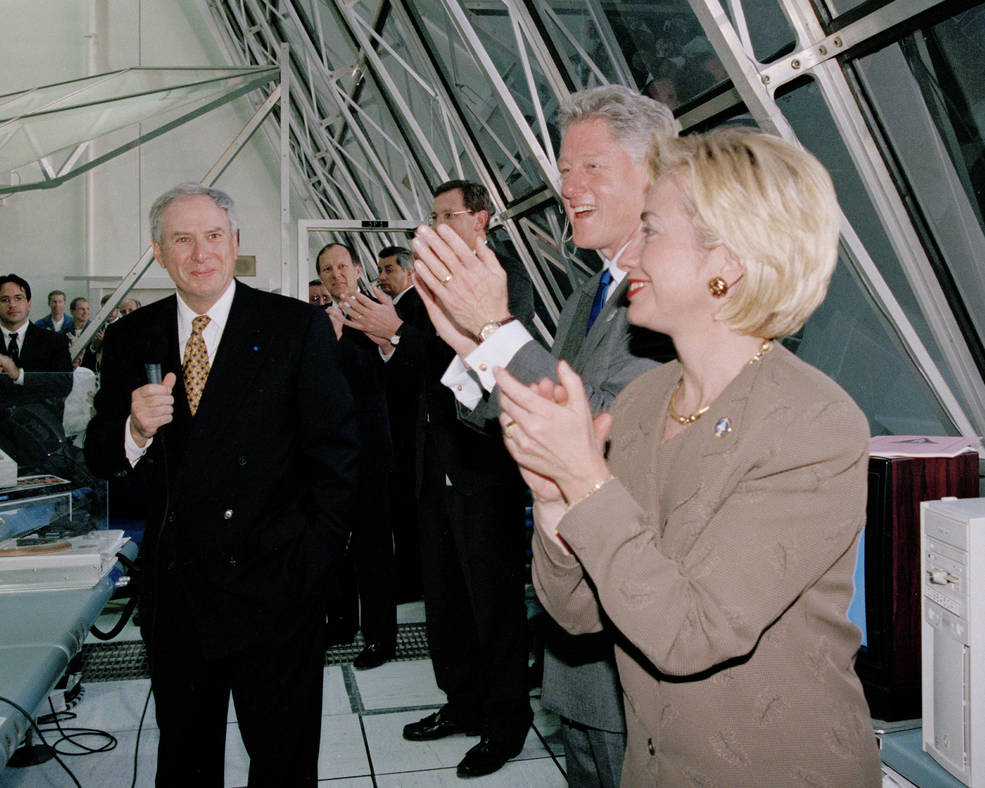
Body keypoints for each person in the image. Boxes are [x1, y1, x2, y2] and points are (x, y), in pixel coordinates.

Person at [492, 127, 882, 786]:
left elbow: (690, 634)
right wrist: (556, 498)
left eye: (652, 230)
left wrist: (585, 478)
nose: (632, 252)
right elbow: (580, 612)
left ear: (724, 262)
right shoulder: (645, 400)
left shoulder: (812, 423)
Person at [412, 85, 676, 788]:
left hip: (626, 641)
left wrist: (495, 334)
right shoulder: (591, 295)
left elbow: (592, 432)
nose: (567, 187)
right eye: (564, 170)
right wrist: (475, 348)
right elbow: (533, 412)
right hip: (580, 640)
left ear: (654, 170)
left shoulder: (663, 301)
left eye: (591, 167)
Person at [84, 183, 358, 786]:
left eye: (213, 236)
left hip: (277, 587)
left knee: (283, 762)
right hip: (181, 593)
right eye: (182, 238)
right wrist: (133, 427)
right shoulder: (134, 337)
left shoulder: (293, 327)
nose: (200, 252)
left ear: (235, 244)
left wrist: (314, 561)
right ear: (159, 252)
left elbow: (336, 457)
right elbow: (99, 455)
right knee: (186, 760)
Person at [342, 181, 535, 777]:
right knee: (445, 599)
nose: (436, 225)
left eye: (447, 215)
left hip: (483, 469)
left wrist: (399, 336)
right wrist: (386, 341)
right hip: (433, 467)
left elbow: (489, 366)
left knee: (493, 601)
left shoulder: (506, 282)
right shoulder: (427, 289)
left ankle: (505, 725)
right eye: (432, 216)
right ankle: (462, 703)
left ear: (481, 219)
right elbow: (413, 377)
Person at [316, 243, 397, 670]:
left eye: (341, 266)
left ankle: (381, 637)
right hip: (332, 454)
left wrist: (338, 343)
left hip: (369, 450)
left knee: (374, 551)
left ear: (358, 269)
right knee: (336, 545)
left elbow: (383, 377)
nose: (335, 274)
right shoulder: (317, 320)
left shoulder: (374, 313)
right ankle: (342, 623)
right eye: (327, 269)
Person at [1, 274, 73, 468]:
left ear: (29, 303)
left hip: (41, 444)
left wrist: (19, 375)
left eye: (18, 298)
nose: (12, 305)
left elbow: (64, 384)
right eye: (4, 300)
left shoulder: (54, 342)